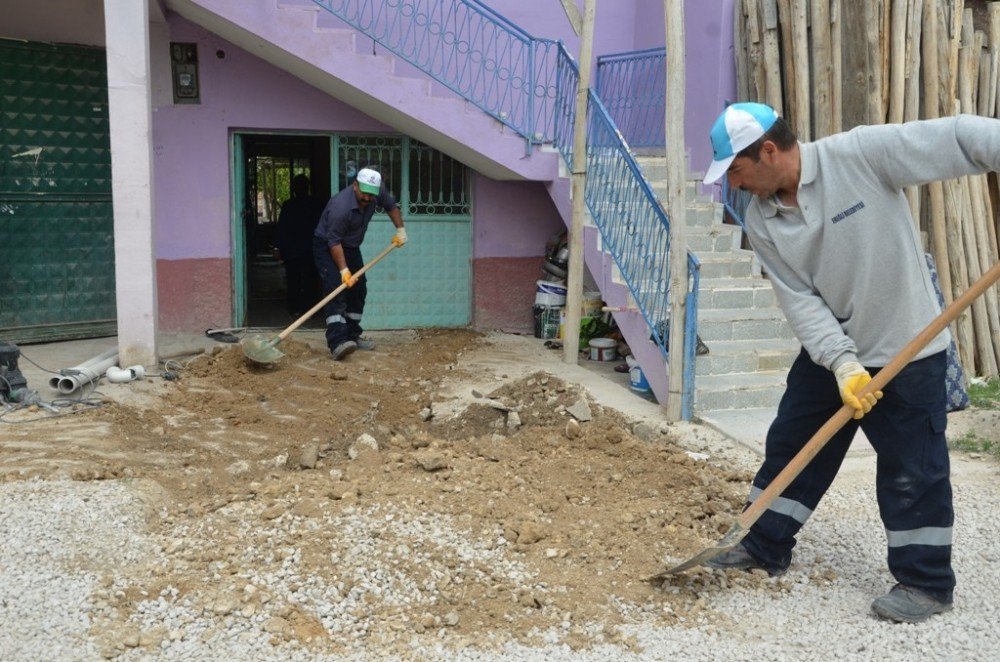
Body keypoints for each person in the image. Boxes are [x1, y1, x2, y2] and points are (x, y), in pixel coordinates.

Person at [701, 102, 1000, 623]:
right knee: (793, 444)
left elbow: (957, 137)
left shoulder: (859, 154)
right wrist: (843, 366)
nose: (733, 183)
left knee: (914, 470)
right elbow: (801, 301)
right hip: (833, 354)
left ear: (768, 152)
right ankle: (762, 545)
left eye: (736, 170)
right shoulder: (761, 218)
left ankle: (925, 584)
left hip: (909, 347)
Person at [312, 167, 407, 360]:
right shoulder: (341, 207)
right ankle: (337, 342)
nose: (367, 199)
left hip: (351, 247)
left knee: (359, 290)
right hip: (328, 246)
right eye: (363, 194)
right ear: (355, 185)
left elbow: (391, 206)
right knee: (336, 290)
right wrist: (344, 271)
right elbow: (334, 242)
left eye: (371, 195)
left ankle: (352, 336)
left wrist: (400, 230)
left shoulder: (375, 191)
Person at [276, 174, 326, 319]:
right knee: (303, 281)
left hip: (302, 250)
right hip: (302, 250)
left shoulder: (309, 204)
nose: (299, 189)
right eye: (298, 186)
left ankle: (298, 309)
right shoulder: (312, 204)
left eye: (301, 186)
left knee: (300, 280)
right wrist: (278, 247)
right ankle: (306, 310)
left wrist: (278, 247)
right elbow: (282, 228)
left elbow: (281, 228)